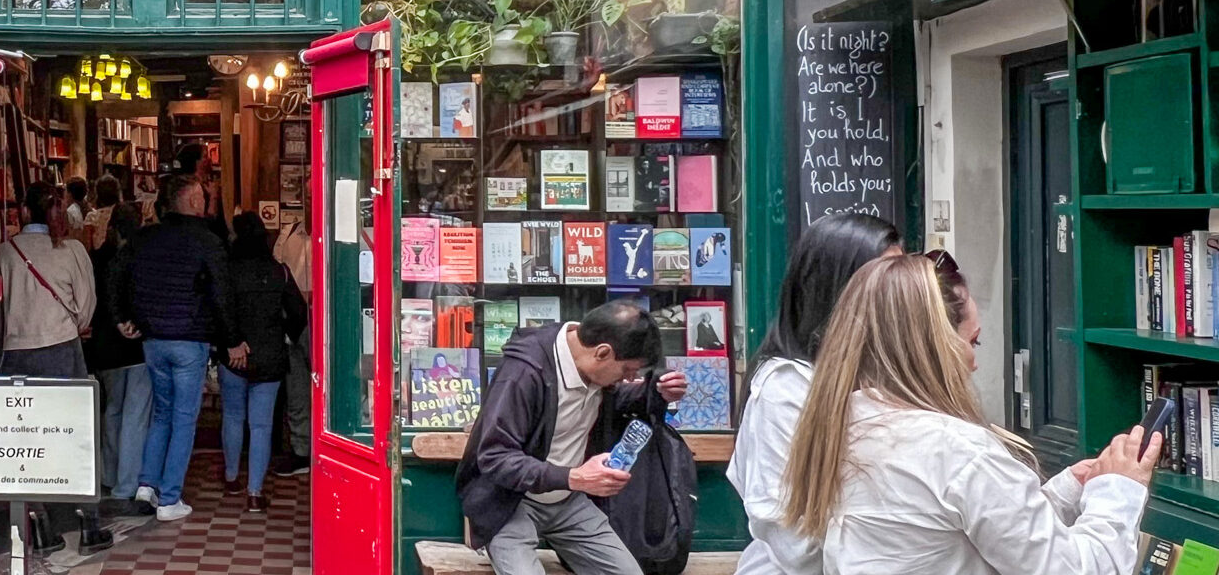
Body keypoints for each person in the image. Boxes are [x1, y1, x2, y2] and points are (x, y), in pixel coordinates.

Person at [783, 255, 1156, 574]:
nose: (974, 362)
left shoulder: (842, 428)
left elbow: (962, 532)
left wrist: (1066, 490)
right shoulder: (957, 450)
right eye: (971, 341)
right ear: (934, 345)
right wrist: (1117, 491)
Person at [454, 300, 688, 575]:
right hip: (509, 503)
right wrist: (575, 477)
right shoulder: (524, 372)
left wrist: (657, 393)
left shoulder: (592, 364)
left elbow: (611, 401)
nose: (628, 379)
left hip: (568, 502)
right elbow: (495, 457)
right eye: (627, 371)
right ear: (602, 352)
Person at [729, 213, 902, 575]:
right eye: (886, 282)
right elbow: (794, 542)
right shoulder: (785, 390)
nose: (902, 296)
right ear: (837, 290)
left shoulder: (881, 374)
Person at [112, 174, 246, 523]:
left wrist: (122, 317)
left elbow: (115, 275)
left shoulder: (144, 238)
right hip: (190, 339)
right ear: (192, 202)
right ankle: (170, 498)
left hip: (153, 340)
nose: (204, 202)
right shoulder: (207, 241)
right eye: (201, 197)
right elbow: (222, 293)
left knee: (162, 413)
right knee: (185, 419)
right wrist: (231, 339)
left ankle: (146, 485)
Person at [0, 184, 111, 553]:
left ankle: (40, 524)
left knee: (24, 442)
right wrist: (71, 324)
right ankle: (89, 523)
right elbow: (87, 304)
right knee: (76, 435)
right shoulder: (73, 250)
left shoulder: (5, 252)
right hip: (62, 350)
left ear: (24, 212)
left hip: (16, 354)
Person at [218, 212, 307, 512]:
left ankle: (231, 477)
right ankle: (255, 492)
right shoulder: (279, 272)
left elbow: (220, 310)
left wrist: (230, 343)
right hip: (270, 356)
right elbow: (298, 313)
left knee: (232, 416)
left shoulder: (227, 272)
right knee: (261, 425)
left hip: (234, 356)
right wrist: (286, 337)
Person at [88, 201, 151, 516]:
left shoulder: (97, 258)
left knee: (112, 410)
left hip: (105, 346)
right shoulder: (142, 258)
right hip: (137, 344)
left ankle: (108, 476)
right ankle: (127, 484)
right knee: (135, 415)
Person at [271, 208, 314, 477]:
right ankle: (301, 451)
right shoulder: (287, 234)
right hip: (294, 322)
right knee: (297, 388)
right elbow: (276, 274)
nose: (310, 199)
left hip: (329, 320)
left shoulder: (338, 230)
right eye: (307, 195)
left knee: (331, 389)